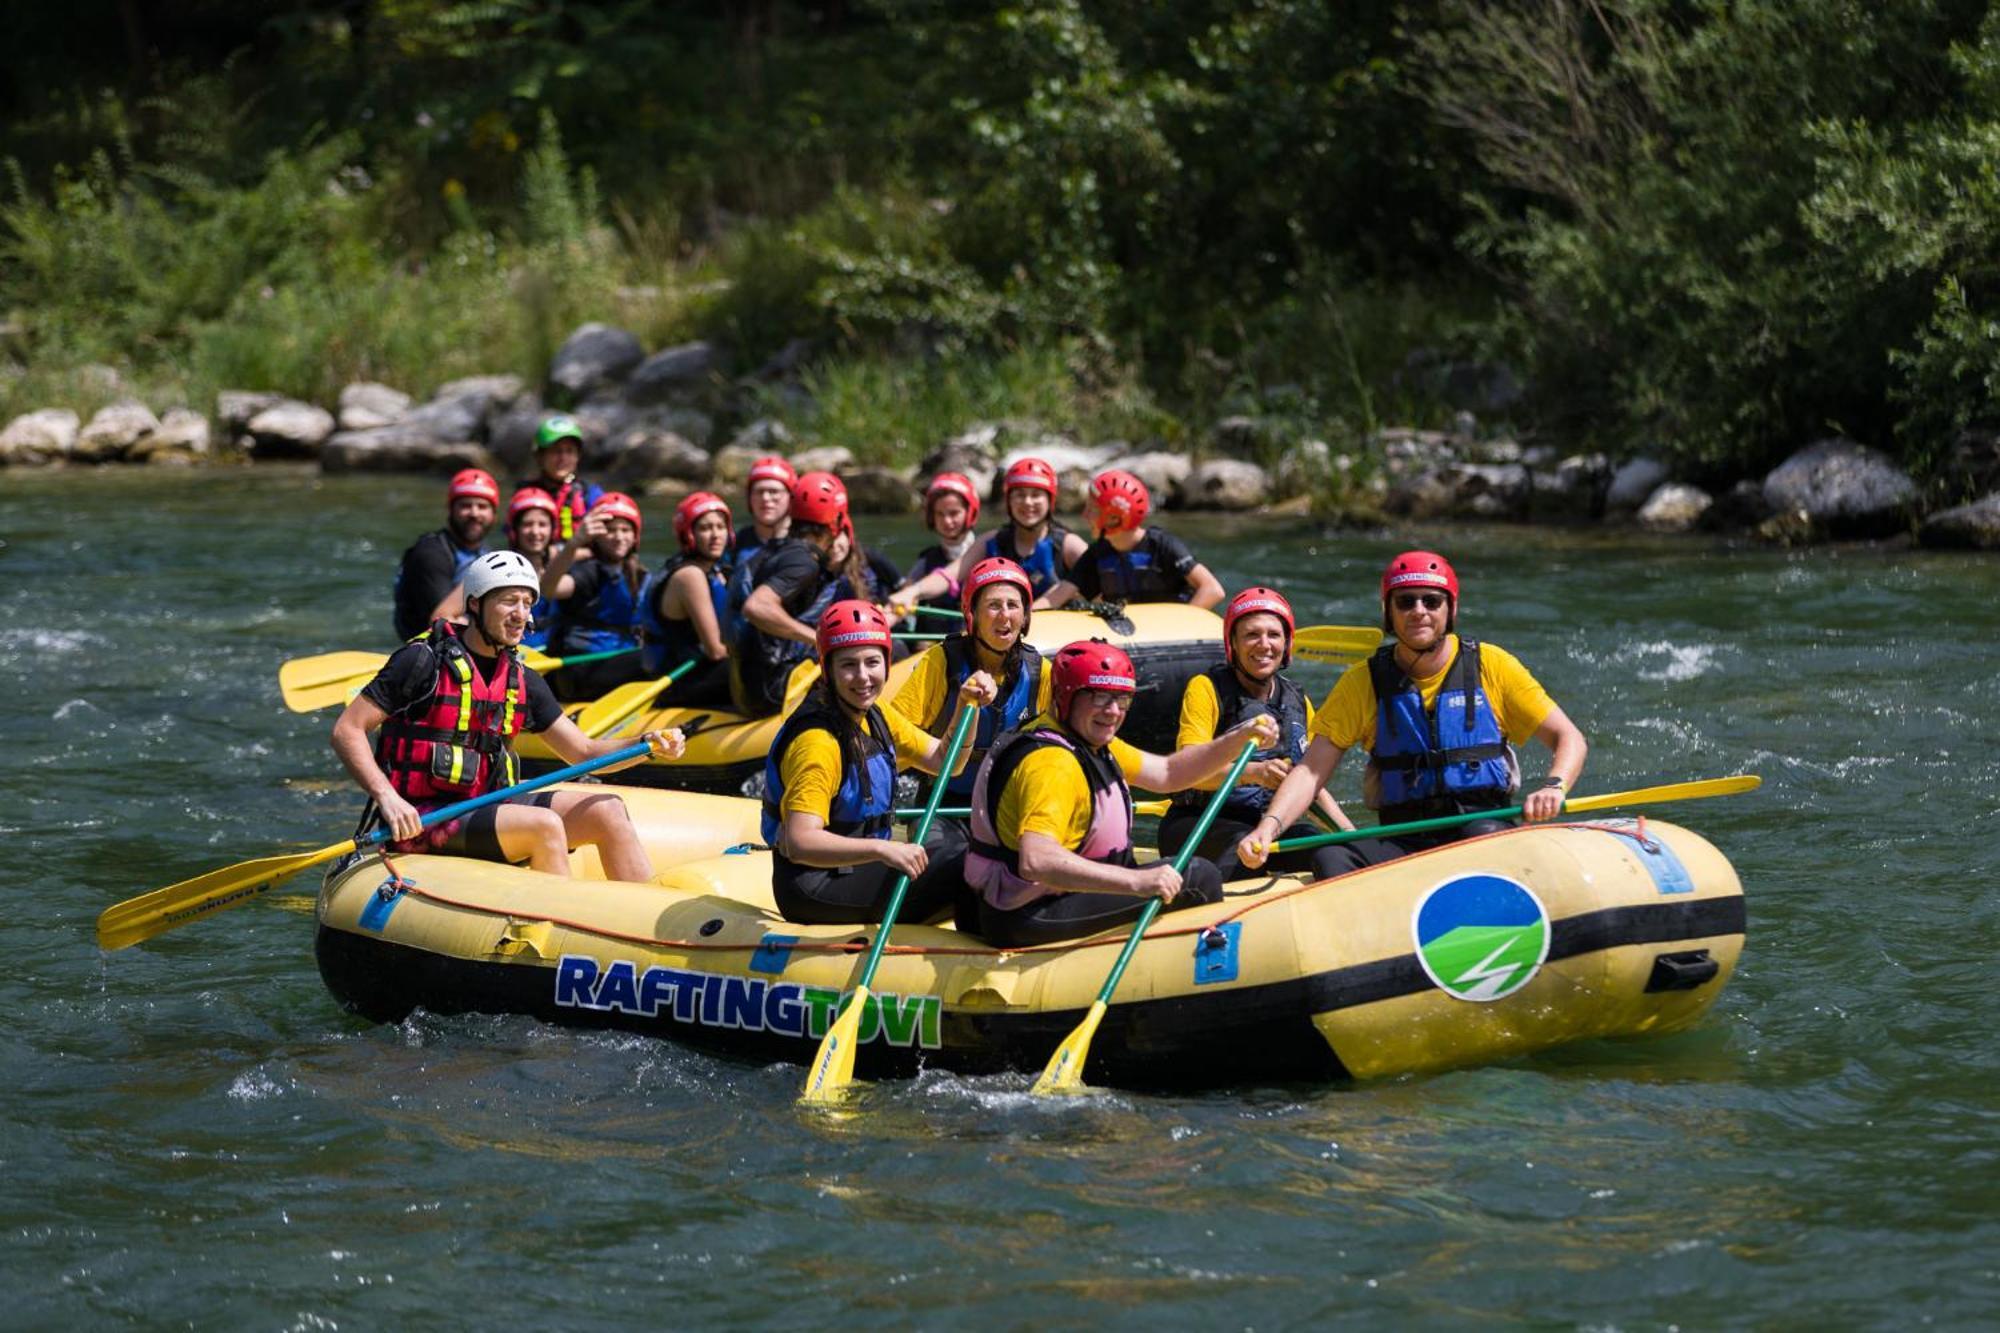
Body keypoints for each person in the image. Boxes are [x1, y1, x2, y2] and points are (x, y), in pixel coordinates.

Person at [332, 550, 687, 879]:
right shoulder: (422, 662)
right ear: (475, 604)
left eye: (528, 602)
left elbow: (585, 753)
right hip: (422, 817)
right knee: (543, 824)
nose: (521, 614)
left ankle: (645, 927)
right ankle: (557, 926)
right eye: (508, 601)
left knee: (607, 809)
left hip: (489, 806)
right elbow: (348, 730)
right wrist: (387, 798)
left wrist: (646, 745)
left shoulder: (522, 680)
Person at [1237, 550, 1588, 878]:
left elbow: (1568, 737)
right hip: (1404, 836)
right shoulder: (1363, 681)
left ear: (1450, 609)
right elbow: (1311, 771)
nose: (1418, 610)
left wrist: (1554, 787)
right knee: (1332, 855)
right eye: (1405, 602)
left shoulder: (1492, 665)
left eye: (1431, 601)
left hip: (1482, 823)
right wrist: (1269, 826)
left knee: (1484, 844)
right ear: (1389, 611)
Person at [965, 639, 1280, 947]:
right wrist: (1137, 882)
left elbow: (1169, 774)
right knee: (1198, 878)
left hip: (1060, 894)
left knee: (1189, 872)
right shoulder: (1052, 763)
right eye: (1101, 697)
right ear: (1066, 696)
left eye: (1123, 699)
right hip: (1029, 913)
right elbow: (1037, 860)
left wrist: (1237, 739)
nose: (1114, 711)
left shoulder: (1087, 739)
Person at [765, 601, 998, 925]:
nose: (863, 677)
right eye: (848, 665)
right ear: (827, 667)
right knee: (965, 867)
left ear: (887, 663)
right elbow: (800, 841)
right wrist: (882, 850)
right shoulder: (817, 743)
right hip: (813, 885)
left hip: (855, 868)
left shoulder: (875, 714)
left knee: (975, 856)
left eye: (872, 662)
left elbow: (947, 761)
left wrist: (966, 705)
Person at [1162, 586, 1355, 880]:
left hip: (1268, 825)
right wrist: (1255, 773)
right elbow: (1188, 769)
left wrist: (1350, 836)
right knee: (1245, 857)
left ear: (1286, 643)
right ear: (1233, 644)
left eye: (1273, 635)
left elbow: (1310, 780)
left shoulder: (1297, 700)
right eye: (1252, 635)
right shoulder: (1206, 688)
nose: (1264, 645)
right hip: (1201, 822)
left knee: (1331, 853)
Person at [889, 557, 1050, 815]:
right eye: (993, 605)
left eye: (1013, 605)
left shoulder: (1040, 671)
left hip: (1008, 805)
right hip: (943, 802)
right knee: (946, 856)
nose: (1005, 615)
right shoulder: (941, 661)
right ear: (972, 614)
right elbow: (896, 734)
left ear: (1025, 615)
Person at [730, 472, 857, 717]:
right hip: (773, 690)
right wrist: (819, 638)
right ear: (836, 520)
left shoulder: (781, 550)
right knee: (896, 650)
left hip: (751, 687)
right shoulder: (803, 562)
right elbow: (756, 607)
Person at [1043, 469, 1225, 610]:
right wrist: (1028, 614)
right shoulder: (1098, 553)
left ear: (1115, 518)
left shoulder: (1162, 544)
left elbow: (1212, 590)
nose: (1085, 515)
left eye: (1092, 510)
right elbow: (1059, 594)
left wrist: (1179, 627)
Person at [933, 456, 1089, 606]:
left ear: (1050, 501)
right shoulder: (991, 542)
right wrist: (914, 591)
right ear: (1008, 501)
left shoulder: (1068, 545)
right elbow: (949, 575)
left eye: (1036, 495)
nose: (1028, 502)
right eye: (1020, 495)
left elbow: (1101, 585)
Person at [539, 492, 649, 701]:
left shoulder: (639, 575)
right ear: (596, 536)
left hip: (617, 660)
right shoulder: (588, 572)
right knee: (650, 660)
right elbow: (548, 590)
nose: (619, 536)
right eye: (610, 530)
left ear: (635, 536)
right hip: (580, 668)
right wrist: (573, 545)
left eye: (625, 530)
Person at [634, 490, 734, 707]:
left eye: (720, 526)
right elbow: (715, 650)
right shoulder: (690, 576)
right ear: (689, 534)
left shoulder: (717, 571)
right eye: (705, 528)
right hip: (675, 679)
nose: (716, 535)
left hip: (698, 670)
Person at [433, 487, 560, 650]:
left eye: (542, 524)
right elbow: (442, 616)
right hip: (502, 653)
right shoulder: (492, 569)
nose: (535, 532)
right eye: (527, 524)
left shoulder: (561, 563)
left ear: (552, 530)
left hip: (548, 655)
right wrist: (481, 630)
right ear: (514, 529)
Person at [392, 468, 498, 641]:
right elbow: (441, 624)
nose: (474, 513)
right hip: (428, 651)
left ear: (494, 514)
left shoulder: (487, 553)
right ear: (451, 509)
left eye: (482, 506)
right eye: (465, 506)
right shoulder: (430, 553)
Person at [890, 472, 982, 624]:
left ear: (970, 513)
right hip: (933, 644)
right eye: (940, 514)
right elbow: (905, 596)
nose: (947, 521)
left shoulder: (986, 552)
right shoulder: (926, 560)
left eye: (954, 513)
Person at [516, 415, 604, 546]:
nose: (563, 458)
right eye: (556, 451)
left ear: (577, 457)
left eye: (569, 451)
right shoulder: (524, 494)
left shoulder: (590, 493)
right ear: (540, 456)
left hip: (583, 564)